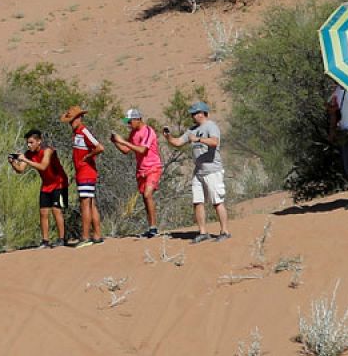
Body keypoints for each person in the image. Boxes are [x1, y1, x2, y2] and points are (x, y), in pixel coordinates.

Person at [165, 101, 228, 242]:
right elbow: (178, 142)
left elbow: (214, 142)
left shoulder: (211, 126)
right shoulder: (191, 130)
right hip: (198, 171)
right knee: (197, 202)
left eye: (194, 113)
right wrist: (168, 137)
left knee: (217, 201)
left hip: (212, 170)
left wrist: (198, 139)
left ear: (202, 113)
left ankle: (224, 231)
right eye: (192, 114)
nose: (192, 116)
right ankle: (203, 232)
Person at [10, 130, 68, 248]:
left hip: (59, 183)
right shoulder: (29, 154)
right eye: (27, 143)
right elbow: (20, 170)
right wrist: (13, 163)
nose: (29, 145)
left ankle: (62, 239)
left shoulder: (48, 151)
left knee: (56, 210)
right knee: (43, 212)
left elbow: (43, 166)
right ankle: (45, 241)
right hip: (46, 185)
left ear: (39, 141)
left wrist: (25, 160)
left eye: (31, 142)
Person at [110, 108, 162, 238]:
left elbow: (142, 150)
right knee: (145, 198)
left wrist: (122, 141)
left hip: (153, 167)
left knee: (148, 194)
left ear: (138, 119)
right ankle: (151, 227)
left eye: (130, 121)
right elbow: (126, 150)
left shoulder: (148, 131)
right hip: (141, 170)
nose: (128, 124)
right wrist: (116, 142)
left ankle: (154, 228)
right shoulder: (133, 133)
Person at [61, 106, 105, 247]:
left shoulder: (83, 130)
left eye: (72, 119)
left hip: (86, 172)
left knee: (84, 203)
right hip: (82, 172)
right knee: (90, 203)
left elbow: (99, 147)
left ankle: (85, 237)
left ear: (79, 118)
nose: (71, 123)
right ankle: (97, 235)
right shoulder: (76, 133)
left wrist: (88, 156)